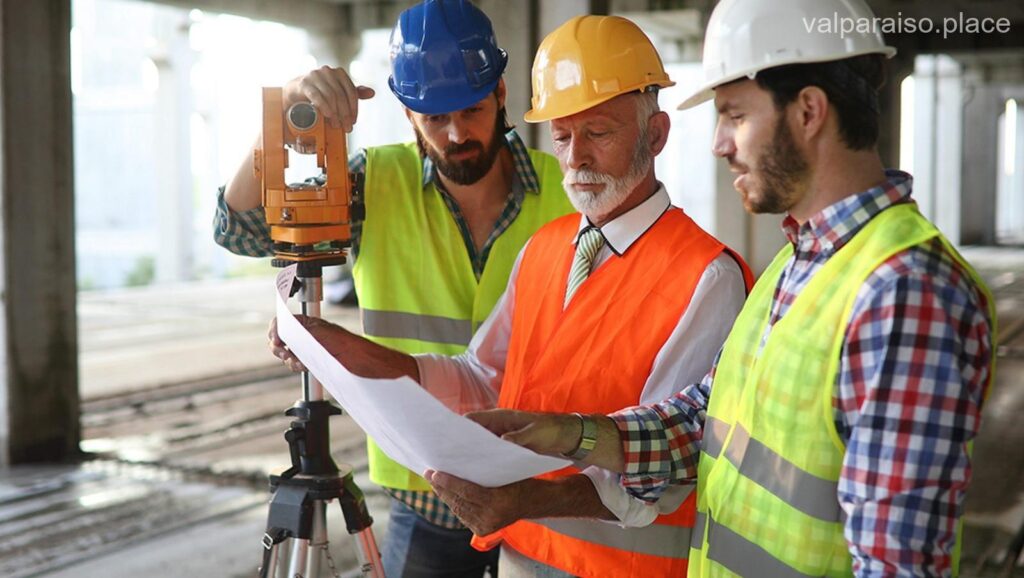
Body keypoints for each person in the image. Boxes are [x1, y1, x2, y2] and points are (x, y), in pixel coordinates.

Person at [467, 0, 997, 576]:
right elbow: (701, 423)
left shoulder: (903, 292)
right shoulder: (794, 264)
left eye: (735, 115)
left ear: (809, 112)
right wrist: (567, 434)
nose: (719, 143)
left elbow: (898, 564)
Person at [269, 14, 751, 578]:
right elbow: (482, 379)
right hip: (520, 559)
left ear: (657, 135)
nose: (576, 159)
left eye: (598, 133)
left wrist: (524, 500)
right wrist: (341, 348)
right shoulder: (545, 249)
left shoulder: (705, 275)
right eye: (564, 136)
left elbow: (668, 468)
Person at [214, 1, 576, 575]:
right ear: (408, 113)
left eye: (472, 110)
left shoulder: (569, 190)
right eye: (435, 117)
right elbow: (237, 228)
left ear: (501, 94)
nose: (457, 133)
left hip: (541, 489)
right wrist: (286, 112)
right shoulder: (370, 183)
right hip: (423, 492)